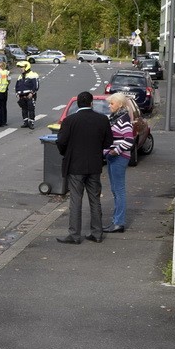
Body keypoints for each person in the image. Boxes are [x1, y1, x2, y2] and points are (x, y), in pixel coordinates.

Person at [55, 91, 114, 244]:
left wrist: (66, 152)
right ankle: (97, 233)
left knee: (76, 200)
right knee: (95, 199)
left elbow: (61, 141)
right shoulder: (102, 119)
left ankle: (74, 235)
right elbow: (108, 142)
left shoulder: (70, 120)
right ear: (91, 103)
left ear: (78, 104)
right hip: (94, 165)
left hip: (75, 165)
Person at [104, 93, 136, 233]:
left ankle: (119, 222)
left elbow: (129, 140)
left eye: (112, 103)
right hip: (112, 157)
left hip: (119, 158)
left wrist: (115, 151)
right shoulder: (115, 118)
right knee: (115, 190)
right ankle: (116, 220)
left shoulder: (123, 119)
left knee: (119, 190)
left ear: (120, 105)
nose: (109, 105)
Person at [15, 61, 39, 129]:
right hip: (22, 96)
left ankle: (31, 123)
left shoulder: (33, 75)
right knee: (24, 109)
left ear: (26, 67)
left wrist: (32, 93)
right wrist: (17, 93)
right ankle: (25, 122)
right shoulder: (20, 76)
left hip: (30, 95)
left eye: (22, 67)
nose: (20, 69)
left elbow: (36, 86)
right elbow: (17, 86)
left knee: (31, 109)